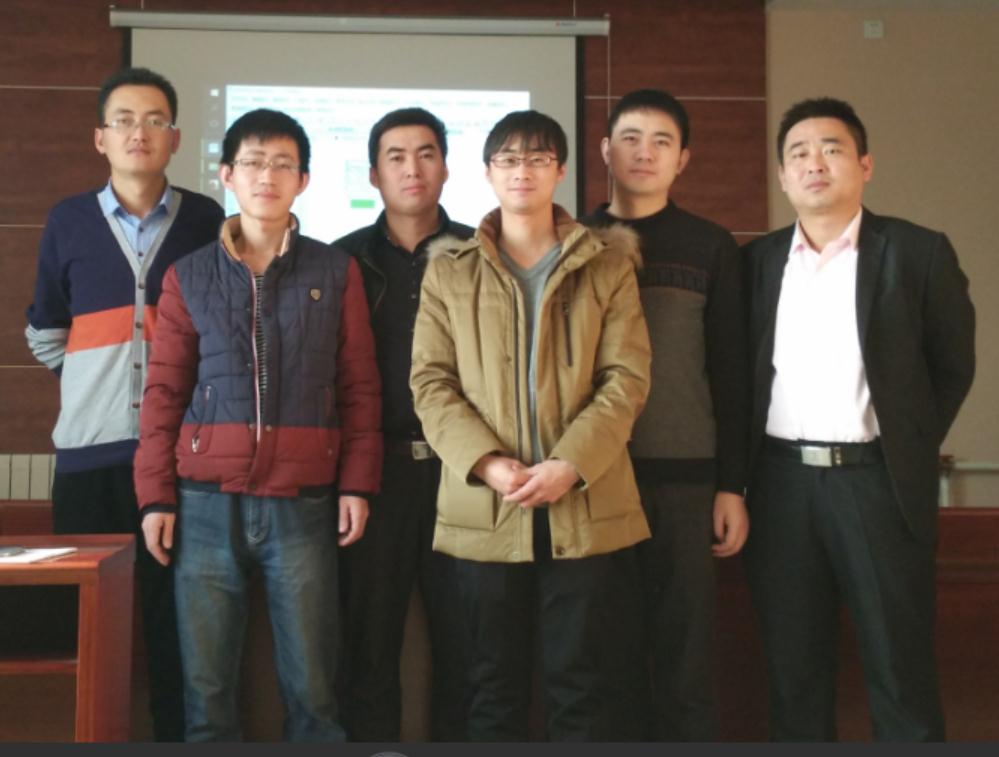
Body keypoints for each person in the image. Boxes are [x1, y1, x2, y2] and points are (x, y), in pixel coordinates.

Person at [133, 108, 382, 741]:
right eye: (251, 162)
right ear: (226, 175)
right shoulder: (189, 274)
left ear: (303, 180)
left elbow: (359, 387)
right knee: (207, 694)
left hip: (304, 503)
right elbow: (163, 394)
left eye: (281, 164)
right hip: (203, 506)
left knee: (314, 692)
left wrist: (357, 484)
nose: (266, 176)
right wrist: (155, 496)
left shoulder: (335, 271)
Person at [410, 109, 652, 741]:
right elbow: (430, 384)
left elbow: (626, 379)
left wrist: (571, 465)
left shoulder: (607, 264)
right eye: (509, 160)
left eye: (538, 159)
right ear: (488, 172)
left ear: (561, 170)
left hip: (587, 502)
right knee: (492, 686)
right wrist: (488, 464)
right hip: (486, 507)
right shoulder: (450, 269)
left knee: (583, 686)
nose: (523, 171)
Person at [742, 97, 975, 741]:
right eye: (798, 153)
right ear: (783, 176)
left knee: (899, 666)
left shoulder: (918, 252)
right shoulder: (756, 263)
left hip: (876, 483)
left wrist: (907, 443)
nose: (814, 163)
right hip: (781, 487)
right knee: (794, 671)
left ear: (865, 164)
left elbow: (954, 366)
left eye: (832, 149)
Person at [24, 66, 224, 742]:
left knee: (178, 626)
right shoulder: (69, 221)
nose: (140, 132)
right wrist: (94, 382)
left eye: (155, 120)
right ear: (101, 137)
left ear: (176, 138)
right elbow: (45, 331)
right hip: (89, 459)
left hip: (181, 461)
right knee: (85, 626)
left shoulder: (206, 221)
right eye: (124, 120)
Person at [583, 88, 749, 741]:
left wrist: (731, 484)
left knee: (686, 659)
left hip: (686, 481)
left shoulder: (710, 246)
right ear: (605, 150)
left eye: (661, 142)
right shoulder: (573, 240)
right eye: (630, 138)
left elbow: (731, 373)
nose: (644, 153)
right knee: (604, 657)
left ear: (683, 158)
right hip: (593, 479)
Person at [333, 107, 473, 742]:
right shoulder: (343, 261)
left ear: (445, 167)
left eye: (425, 153)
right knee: (368, 648)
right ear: (374, 174)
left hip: (463, 474)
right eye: (396, 156)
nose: (412, 168)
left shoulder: (480, 252)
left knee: (466, 648)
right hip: (375, 474)